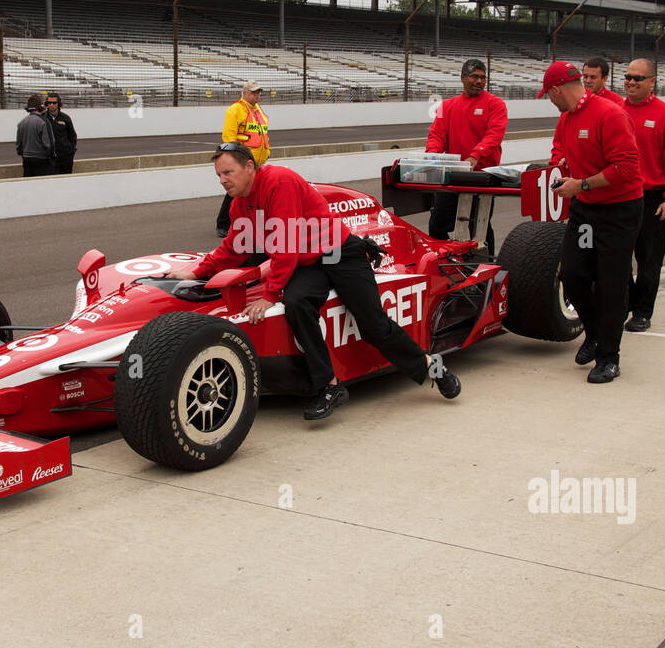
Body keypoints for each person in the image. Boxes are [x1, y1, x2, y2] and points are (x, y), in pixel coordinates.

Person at [169, 142, 461, 420]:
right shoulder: (239, 205)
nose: (222, 180)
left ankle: (433, 369)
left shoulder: (277, 181)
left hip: (339, 253)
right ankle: (329, 386)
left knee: (373, 325)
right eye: (218, 175)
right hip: (309, 262)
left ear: (249, 167)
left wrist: (270, 294)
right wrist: (195, 273)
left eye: (227, 172)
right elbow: (233, 248)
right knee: (297, 304)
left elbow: (286, 243)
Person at [541, 60, 642, 384]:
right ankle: (595, 333)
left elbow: (626, 168)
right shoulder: (567, 119)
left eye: (549, 95)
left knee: (611, 283)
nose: (549, 100)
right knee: (573, 274)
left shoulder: (608, 114)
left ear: (557, 90)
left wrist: (581, 184)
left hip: (619, 210)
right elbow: (560, 151)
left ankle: (609, 358)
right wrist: (560, 165)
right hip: (586, 211)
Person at [621, 59, 665, 332]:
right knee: (616, 256)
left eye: (639, 78)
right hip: (621, 196)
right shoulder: (613, 111)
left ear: (652, 82)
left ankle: (642, 312)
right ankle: (625, 302)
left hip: (652, 198)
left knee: (649, 260)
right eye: (628, 77)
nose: (632, 82)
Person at [425, 58, 508, 251]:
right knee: (436, 226)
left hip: (483, 177)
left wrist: (474, 156)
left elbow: (494, 135)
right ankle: (448, 261)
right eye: (474, 77)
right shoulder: (447, 106)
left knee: (479, 227)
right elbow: (436, 135)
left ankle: (484, 268)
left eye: (482, 77)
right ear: (463, 78)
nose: (479, 81)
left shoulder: (495, 104)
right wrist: (432, 156)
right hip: (453, 176)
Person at [216, 81, 270, 235]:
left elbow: (262, 134)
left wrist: (267, 152)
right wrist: (233, 160)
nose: (257, 95)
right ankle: (223, 224)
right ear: (244, 92)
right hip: (241, 162)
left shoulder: (258, 110)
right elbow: (228, 137)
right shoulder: (235, 110)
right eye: (253, 92)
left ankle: (252, 223)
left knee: (253, 192)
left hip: (255, 161)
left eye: (258, 93)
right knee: (235, 192)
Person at [15, 94, 54, 176]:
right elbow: (49, 143)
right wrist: (51, 157)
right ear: (40, 106)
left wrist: (23, 154)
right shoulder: (44, 122)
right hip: (41, 160)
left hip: (26, 160)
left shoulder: (21, 123)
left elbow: (19, 144)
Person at [44, 92, 77, 174]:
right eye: (49, 103)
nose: (51, 105)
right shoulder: (43, 118)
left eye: (54, 103)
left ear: (59, 104)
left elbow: (73, 136)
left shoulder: (66, 118)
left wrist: (71, 151)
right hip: (49, 159)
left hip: (65, 158)